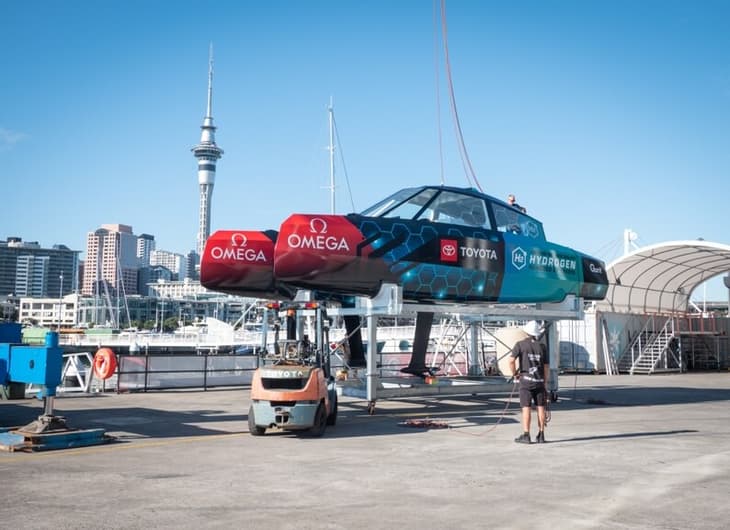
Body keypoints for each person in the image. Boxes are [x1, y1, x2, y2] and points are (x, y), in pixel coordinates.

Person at [508, 320, 549, 444]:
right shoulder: (542, 347)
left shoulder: (520, 345)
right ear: (536, 334)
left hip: (526, 381)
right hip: (539, 381)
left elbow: (511, 361)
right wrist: (545, 381)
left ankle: (526, 435)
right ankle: (541, 435)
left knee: (526, 407)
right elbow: (546, 366)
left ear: (526, 332)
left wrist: (515, 374)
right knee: (541, 407)